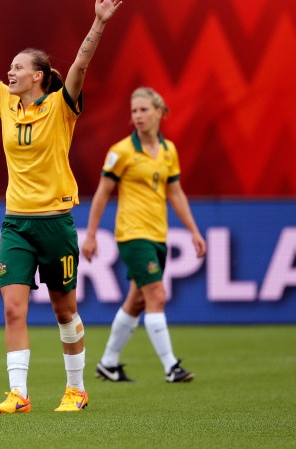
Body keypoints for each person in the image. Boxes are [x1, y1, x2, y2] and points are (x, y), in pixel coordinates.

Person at [0, 0, 122, 413]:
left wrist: (98, 24)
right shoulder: (5, 101)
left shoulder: (61, 106)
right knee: (12, 309)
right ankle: (18, 394)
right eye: (10, 67)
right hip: (16, 223)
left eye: (18, 68)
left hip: (56, 221)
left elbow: (79, 63)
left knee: (64, 311)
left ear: (38, 76)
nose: (10, 72)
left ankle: (76, 389)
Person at [81, 87, 206, 383]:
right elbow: (102, 194)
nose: (137, 116)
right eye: (134, 111)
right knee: (157, 295)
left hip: (157, 234)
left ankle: (108, 363)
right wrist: (91, 234)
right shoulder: (121, 151)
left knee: (137, 300)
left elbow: (175, 193)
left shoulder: (168, 150)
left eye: (143, 110)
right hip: (132, 234)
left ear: (160, 112)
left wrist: (193, 231)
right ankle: (171, 367)